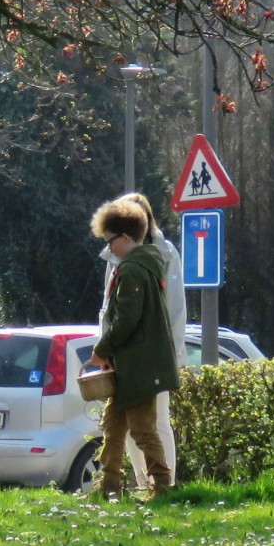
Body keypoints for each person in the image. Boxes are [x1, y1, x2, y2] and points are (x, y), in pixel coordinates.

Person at [86, 196, 178, 502]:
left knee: (143, 430)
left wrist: (102, 349)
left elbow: (126, 320)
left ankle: (162, 485)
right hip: (131, 365)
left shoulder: (132, 271)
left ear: (126, 237)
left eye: (111, 240)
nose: (109, 247)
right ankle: (109, 483)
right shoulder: (144, 265)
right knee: (113, 426)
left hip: (139, 366)